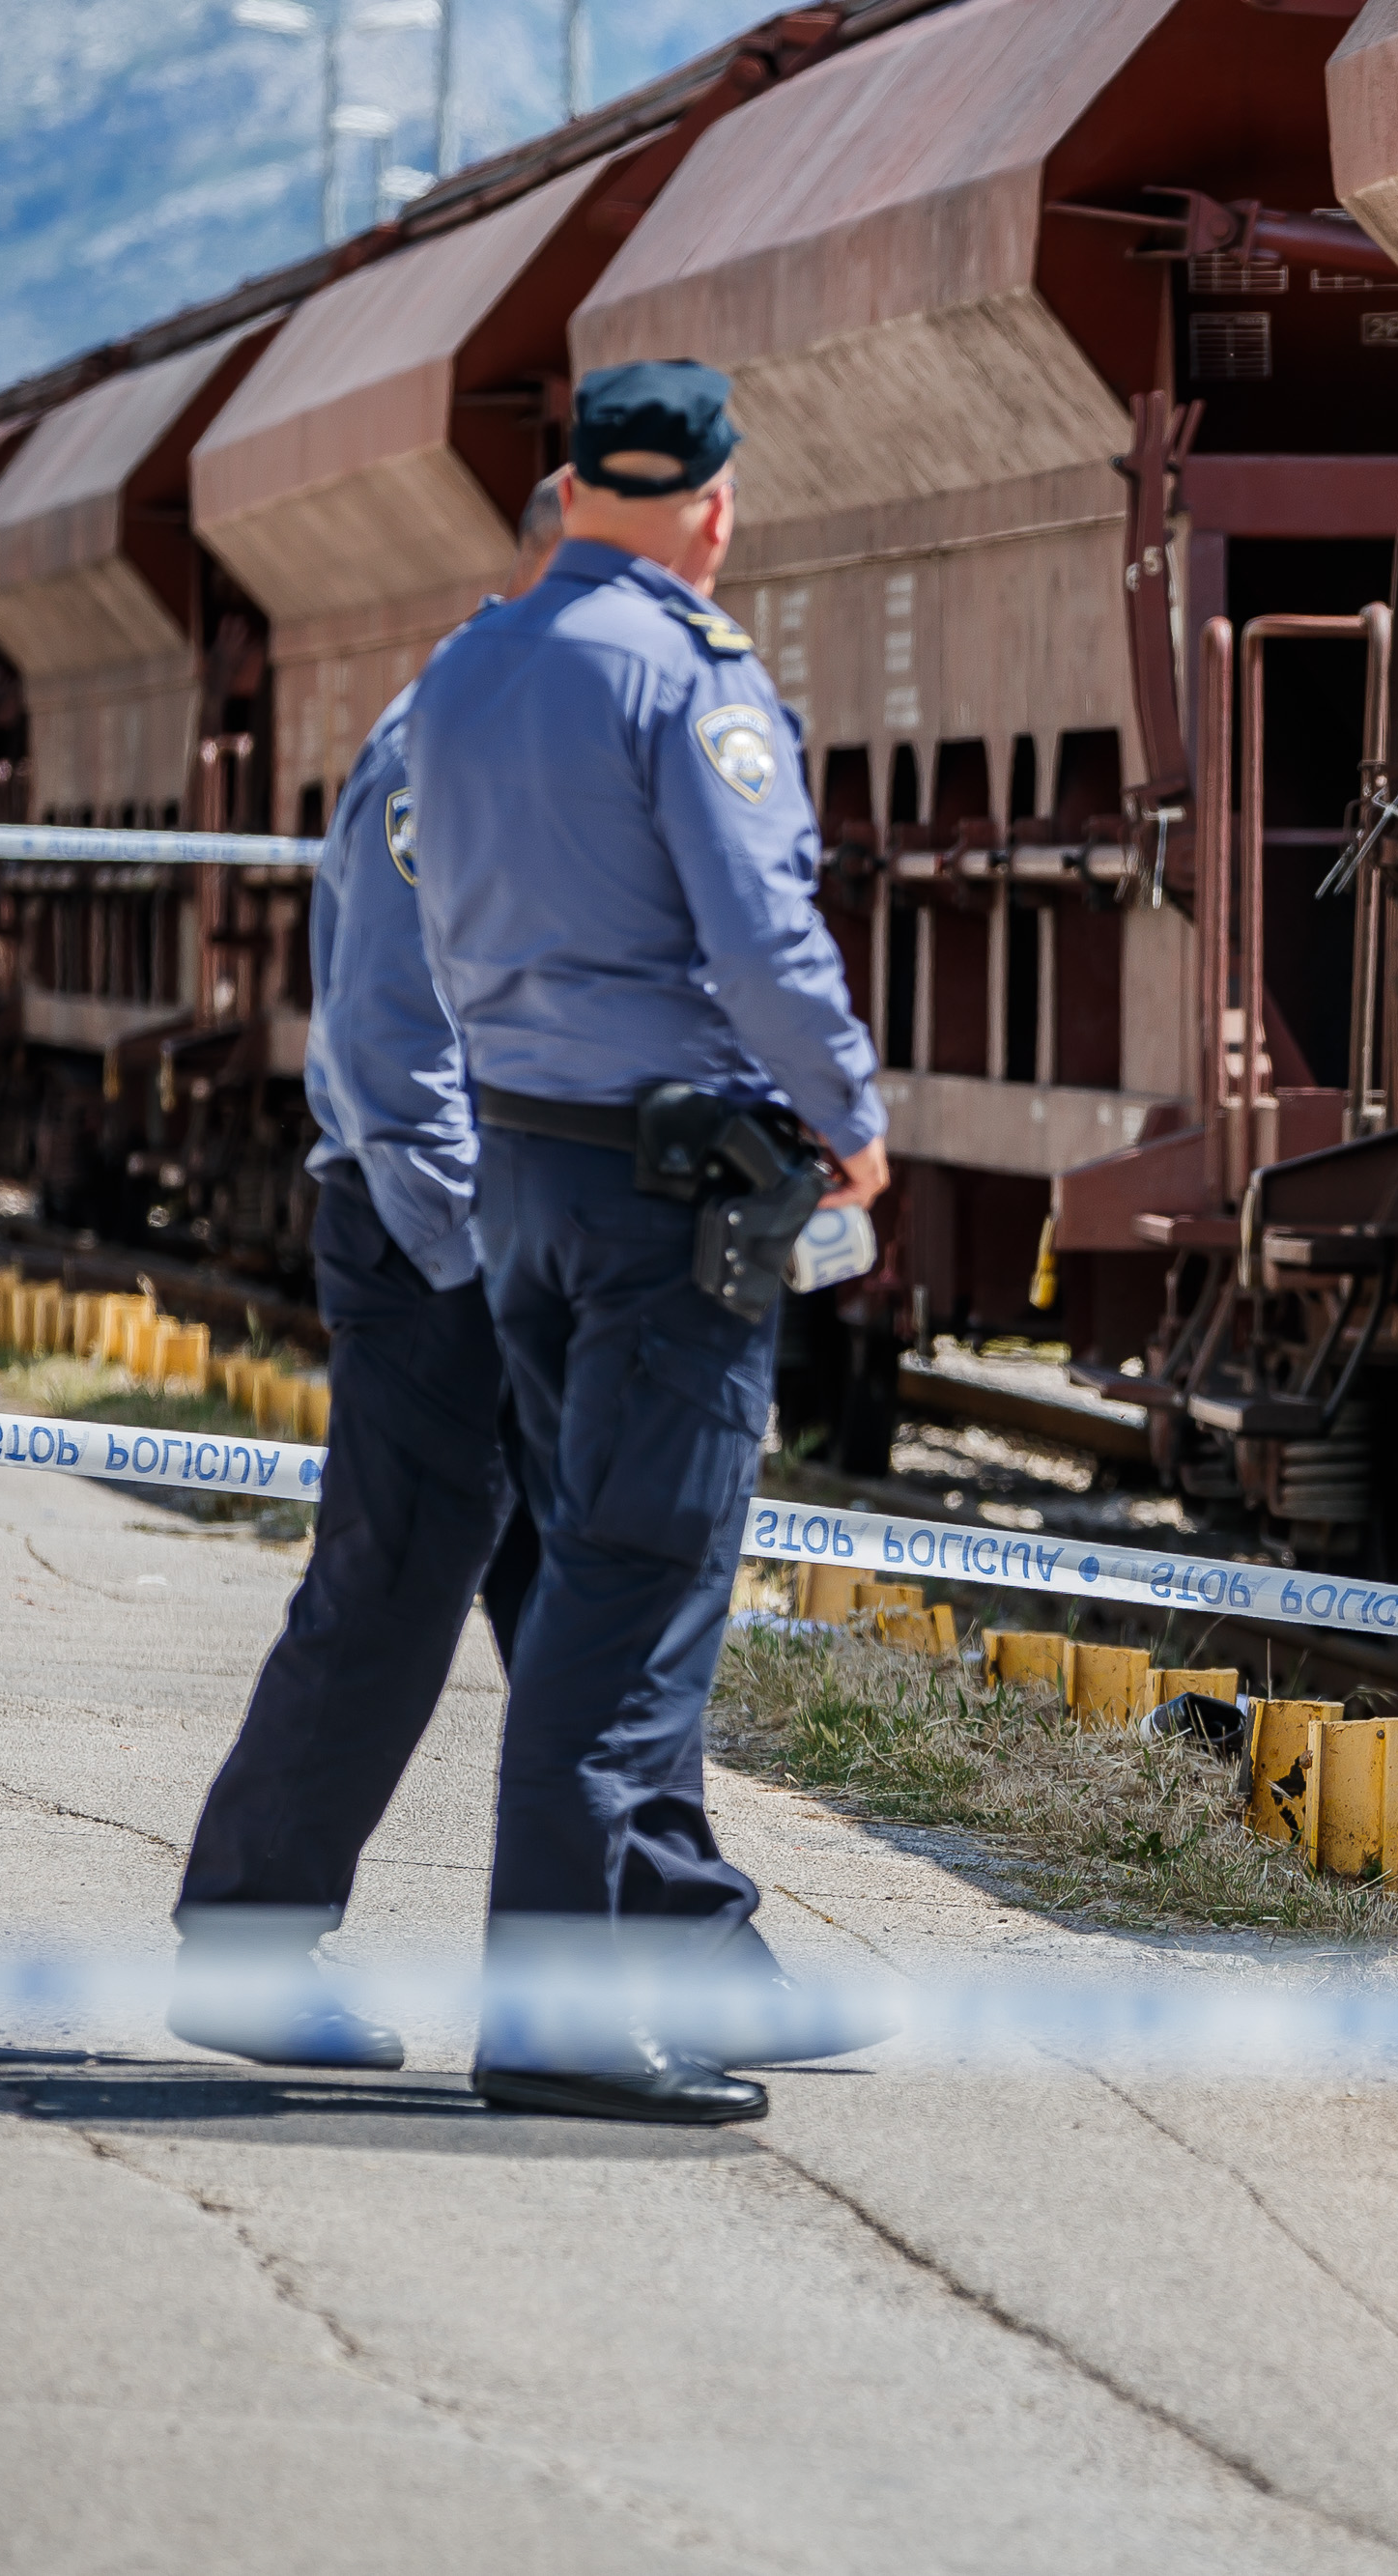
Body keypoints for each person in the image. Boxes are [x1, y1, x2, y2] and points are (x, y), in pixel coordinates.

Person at [411, 360, 888, 2125]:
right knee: (641, 1584)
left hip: (519, 1171)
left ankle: (663, 1966)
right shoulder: (686, 678)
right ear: (713, 503)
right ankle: (552, 2018)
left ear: (573, 485)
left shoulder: (466, 670)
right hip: (659, 1192)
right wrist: (850, 1117)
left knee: (584, 1565)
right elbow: (763, 937)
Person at [167, 473, 569, 2072]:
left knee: (579, 1588)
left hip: (522, 1242)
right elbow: (397, 1051)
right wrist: (485, 1264)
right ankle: (249, 1949)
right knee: (400, 1581)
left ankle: (669, 1943)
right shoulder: (443, 746)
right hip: (438, 1247)